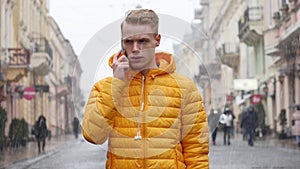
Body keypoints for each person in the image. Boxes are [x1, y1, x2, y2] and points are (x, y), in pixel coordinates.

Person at [82, 9, 209, 168]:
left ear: (157, 40)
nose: (135, 48)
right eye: (129, 42)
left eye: (143, 41)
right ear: (122, 44)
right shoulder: (105, 88)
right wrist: (116, 85)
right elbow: (93, 135)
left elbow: (196, 149)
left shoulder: (184, 87)